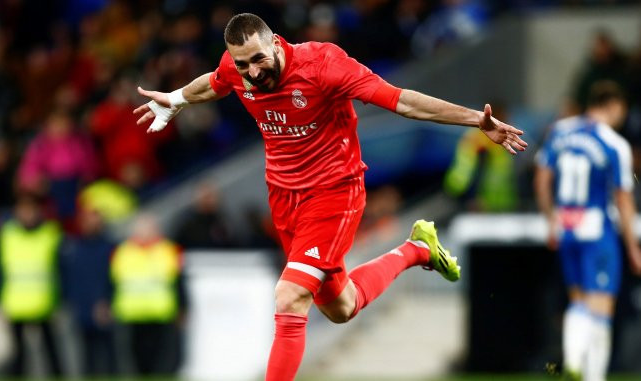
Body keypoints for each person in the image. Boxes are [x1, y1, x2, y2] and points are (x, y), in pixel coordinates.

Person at [133, 13, 526, 381]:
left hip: (334, 192)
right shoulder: (237, 69)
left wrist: (475, 119)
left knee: (289, 297)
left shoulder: (323, 65)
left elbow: (401, 100)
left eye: (258, 60)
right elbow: (214, 82)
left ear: (276, 44)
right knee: (340, 307)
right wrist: (178, 98)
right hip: (285, 198)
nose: (252, 72)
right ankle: (417, 250)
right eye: (243, 65)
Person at [534, 81, 641, 381]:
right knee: (600, 307)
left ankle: (575, 363)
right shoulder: (615, 143)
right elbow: (623, 199)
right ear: (612, 105)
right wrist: (634, 246)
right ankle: (582, 368)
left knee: (579, 301)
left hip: (566, 227)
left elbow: (542, 180)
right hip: (597, 230)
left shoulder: (560, 130)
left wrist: (550, 220)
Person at [110, 213, 186, 376]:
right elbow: (112, 281)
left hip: (161, 313)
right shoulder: (123, 251)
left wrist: (183, 306)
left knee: (163, 361)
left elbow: (179, 281)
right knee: (137, 360)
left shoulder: (168, 250)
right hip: (132, 314)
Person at [0, 195, 63, 377]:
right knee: (17, 355)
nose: (27, 214)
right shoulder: (7, 235)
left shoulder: (50, 234)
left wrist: (60, 299)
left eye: (31, 209)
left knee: (51, 350)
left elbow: (60, 269)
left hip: (45, 302)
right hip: (15, 303)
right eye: (23, 209)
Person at [61, 206, 117, 376]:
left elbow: (115, 278)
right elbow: (66, 277)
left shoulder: (110, 248)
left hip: (104, 307)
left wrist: (107, 300)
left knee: (108, 354)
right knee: (85, 355)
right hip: (80, 307)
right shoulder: (72, 248)